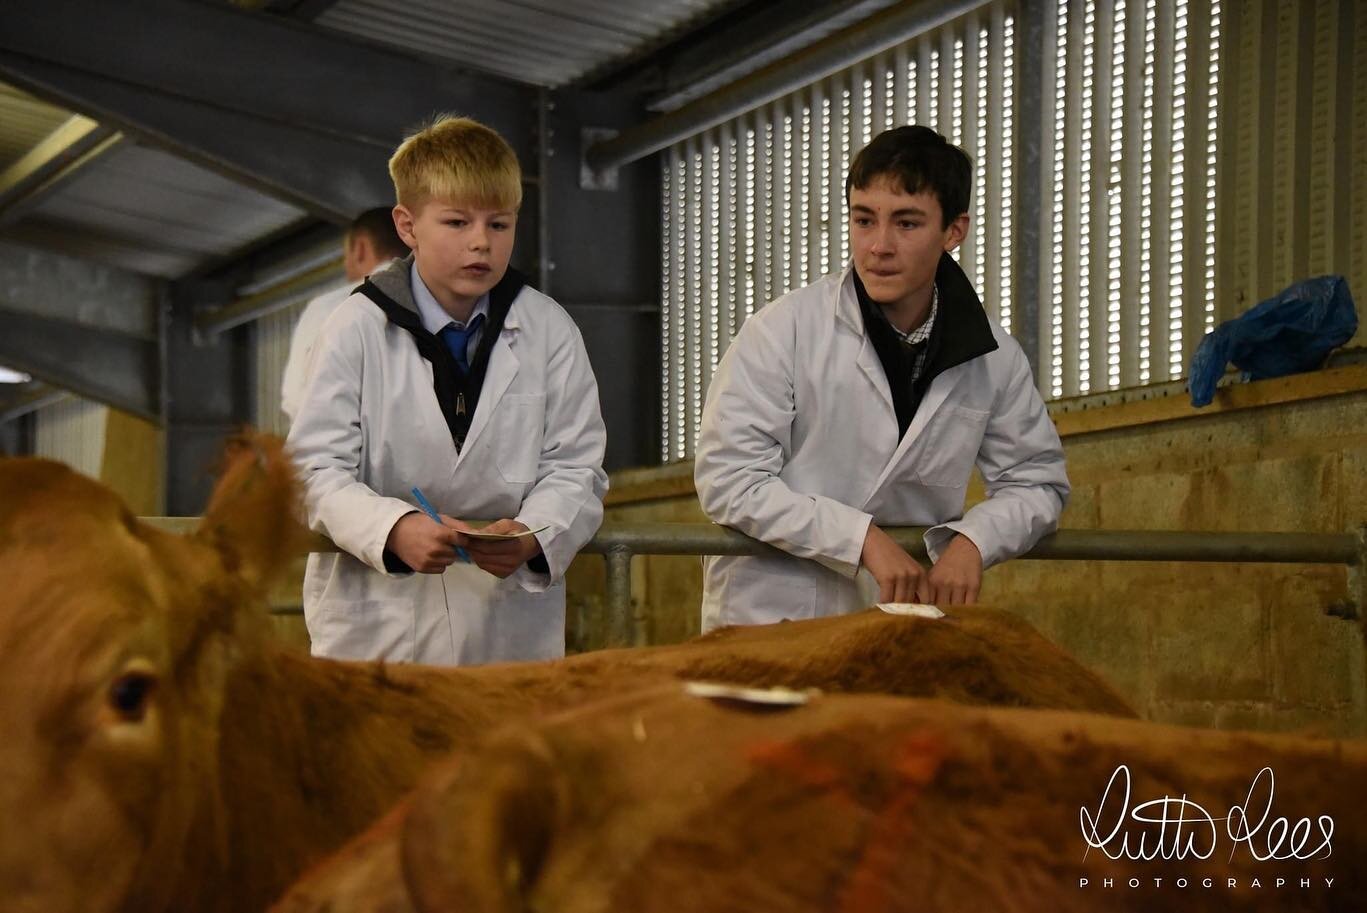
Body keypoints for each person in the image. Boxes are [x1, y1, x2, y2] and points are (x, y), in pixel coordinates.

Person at [694, 125, 1068, 631]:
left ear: (953, 232)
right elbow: (729, 479)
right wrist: (861, 539)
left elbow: (1037, 482)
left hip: (901, 620)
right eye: (863, 220)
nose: (878, 246)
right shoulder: (784, 330)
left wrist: (975, 541)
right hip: (773, 615)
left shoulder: (993, 357)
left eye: (907, 223)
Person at [286, 115, 608, 665]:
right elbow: (311, 469)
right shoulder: (355, 327)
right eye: (457, 222)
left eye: (500, 225)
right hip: (379, 625)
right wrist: (391, 528)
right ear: (407, 226)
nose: (481, 242)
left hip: (506, 625)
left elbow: (577, 467)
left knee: (504, 748)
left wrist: (535, 532)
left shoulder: (549, 329)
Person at [279, 207, 408, 424]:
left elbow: (296, 401)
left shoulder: (328, 309)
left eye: (346, 256)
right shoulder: (447, 309)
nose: (346, 265)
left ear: (360, 248)